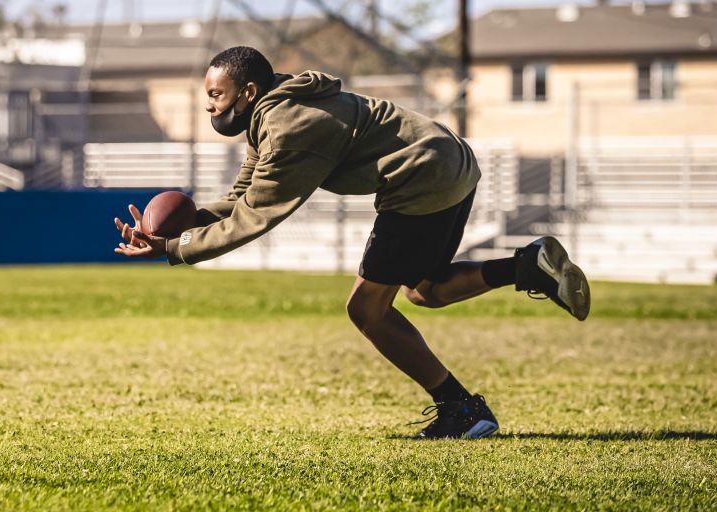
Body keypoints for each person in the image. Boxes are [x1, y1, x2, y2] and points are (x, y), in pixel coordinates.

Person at [114, 46, 590, 440]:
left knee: (367, 310)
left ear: (249, 91)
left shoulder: (287, 126)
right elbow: (243, 196)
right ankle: (526, 267)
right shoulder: (273, 111)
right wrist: (183, 225)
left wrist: (175, 250)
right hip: (448, 162)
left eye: (216, 95)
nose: (210, 106)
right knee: (425, 290)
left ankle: (462, 410)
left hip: (421, 175)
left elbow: (257, 216)